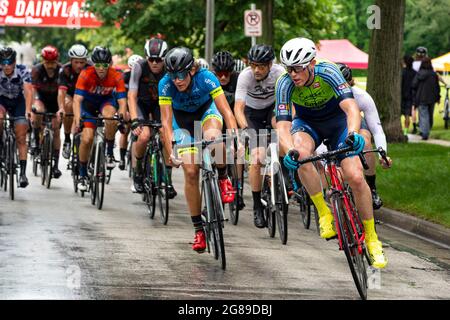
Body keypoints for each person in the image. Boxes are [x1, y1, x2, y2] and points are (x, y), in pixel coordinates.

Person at [276, 37, 387, 269]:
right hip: (307, 124)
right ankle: (324, 212)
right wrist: (288, 151)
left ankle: (372, 238)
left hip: (338, 124)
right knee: (300, 153)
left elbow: (351, 108)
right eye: (289, 69)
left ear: (312, 63)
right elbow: (283, 126)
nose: (293, 74)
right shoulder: (284, 84)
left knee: (355, 176)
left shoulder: (329, 72)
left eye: (298, 68)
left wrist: (354, 134)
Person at [158, 47, 239, 253]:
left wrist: (235, 132)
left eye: (181, 74)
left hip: (206, 114)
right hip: (182, 123)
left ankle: (223, 178)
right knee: (191, 171)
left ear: (191, 70)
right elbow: (166, 123)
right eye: (173, 75)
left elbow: (226, 110)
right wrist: (171, 149)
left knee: (213, 137)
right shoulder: (165, 85)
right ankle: (199, 231)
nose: (177, 80)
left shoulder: (206, 77)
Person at [233, 44, 285, 228]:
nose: (256, 69)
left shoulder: (280, 73)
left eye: (261, 66)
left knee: (281, 129)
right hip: (252, 114)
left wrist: (289, 125)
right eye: (253, 65)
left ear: (270, 64)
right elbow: (238, 108)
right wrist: (245, 128)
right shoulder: (245, 76)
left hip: (272, 109)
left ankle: (284, 174)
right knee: (257, 158)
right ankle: (256, 205)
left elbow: (289, 102)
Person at [336, 63, 392, 210]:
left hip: (356, 124)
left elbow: (377, 129)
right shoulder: (325, 96)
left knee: (366, 142)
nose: (342, 90)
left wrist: (382, 154)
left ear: (350, 82)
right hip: (334, 126)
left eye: (345, 85)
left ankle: (372, 188)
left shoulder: (361, 96)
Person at [73, 46, 127, 191]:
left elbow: (122, 101)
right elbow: (77, 100)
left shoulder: (116, 75)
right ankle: (83, 175)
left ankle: (109, 153)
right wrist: (78, 119)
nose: (101, 68)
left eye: (105, 65)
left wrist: (121, 116)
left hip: (106, 102)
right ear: (93, 64)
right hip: (88, 105)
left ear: (109, 64)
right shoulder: (85, 74)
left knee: (111, 118)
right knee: (87, 138)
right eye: (98, 65)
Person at [128, 38, 176, 198]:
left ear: (165, 59)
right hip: (142, 104)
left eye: (159, 60)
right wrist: (134, 120)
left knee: (166, 135)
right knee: (144, 136)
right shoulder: (139, 67)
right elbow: (132, 95)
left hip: (159, 105)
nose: (155, 63)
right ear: (146, 58)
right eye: (151, 59)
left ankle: (168, 181)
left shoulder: (169, 69)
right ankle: (138, 171)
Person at [211, 51, 245, 209]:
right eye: (219, 73)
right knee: (216, 150)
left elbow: (242, 106)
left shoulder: (238, 79)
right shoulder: (210, 80)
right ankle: (217, 179)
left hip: (233, 117)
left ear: (232, 71)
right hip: (216, 118)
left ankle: (237, 189)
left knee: (237, 152)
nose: (223, 77)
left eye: (226, 73)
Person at [0, 47, 33, 188]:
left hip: (18, 101)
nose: (6, 65)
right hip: (2, 100)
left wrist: (28, 110)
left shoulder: (23, 70)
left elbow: (28, 91)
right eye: (3, 62)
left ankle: (23, 174)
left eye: (9, 62)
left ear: (14, 62)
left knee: (21, 135)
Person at [31, 45, 63, 179]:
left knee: (55, 129)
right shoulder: (37, 70)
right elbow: (32, 91)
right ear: (43, 60)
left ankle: (55, 165)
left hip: (56, 100)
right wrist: (33, 105)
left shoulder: (61, 70)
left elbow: (63, 91)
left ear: (57, 60)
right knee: (38, 111)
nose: (50, 65)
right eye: (47, 62)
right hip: (41, 98)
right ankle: (36, 141)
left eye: (52, 62)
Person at [58, 44, 90, 159]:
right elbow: (61, 92)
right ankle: (67, 139)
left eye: (82, 62)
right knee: (68, 105)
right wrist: (61, 107)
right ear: (71, 60)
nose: (79, 65)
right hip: (71, 95)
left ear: (86, 61)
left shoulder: (91, 68)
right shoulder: (65, 70)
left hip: (86, 96)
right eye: (76, 62)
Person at [117, 53, 143, 171]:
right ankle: (122, 158)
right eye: (132, 68)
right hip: (127, 105)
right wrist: (124, 112)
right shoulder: (124, 77)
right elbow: (122, 97)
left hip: (139, 106)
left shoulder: (143, 76)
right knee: (125, 130)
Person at [411, 57, 440, 140]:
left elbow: (413, 85)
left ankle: (425, 132)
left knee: (424, 116)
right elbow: (437, 87)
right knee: (429, 115)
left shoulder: (419, 74)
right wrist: (438, 97)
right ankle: (426, 131)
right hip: (432, 98)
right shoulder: (434, 74)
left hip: (421, 98)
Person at [401, 55, 416, 136]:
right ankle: (405, 132)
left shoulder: (402, 72)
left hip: (401, 96)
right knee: (407, 115)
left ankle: (404, 130)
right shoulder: (414, 73)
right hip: (410, 96)